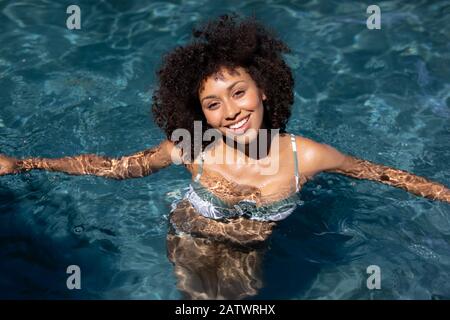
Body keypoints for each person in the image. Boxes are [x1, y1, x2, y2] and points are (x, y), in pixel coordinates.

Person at [0, 14, 449, 299]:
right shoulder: (192, 144)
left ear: (265, 90)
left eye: (239, 93)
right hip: (189, 238)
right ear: (203, 115)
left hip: (251, 253)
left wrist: (443, 194)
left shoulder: (306, 155)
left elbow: (380, 174)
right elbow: (118, 168)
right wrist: (26, 164)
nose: (232, 111)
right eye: (214, 104)